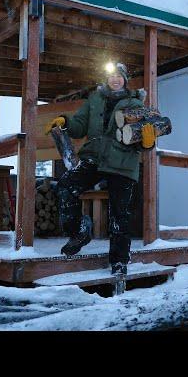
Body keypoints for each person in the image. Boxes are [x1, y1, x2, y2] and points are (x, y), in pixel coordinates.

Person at [44, 62, 157, 276]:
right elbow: (79, 126)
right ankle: (79, 231)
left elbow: (143, 136)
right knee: (66, 186)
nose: (115, 79)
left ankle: (119, 262)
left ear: (125, 79)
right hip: (94, 158)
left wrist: (148, 141)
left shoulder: (135, 103)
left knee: (119, 215)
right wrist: (65, 122)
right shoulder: (94, 100)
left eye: (119, 76)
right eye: (111, 76)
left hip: (123, 163)